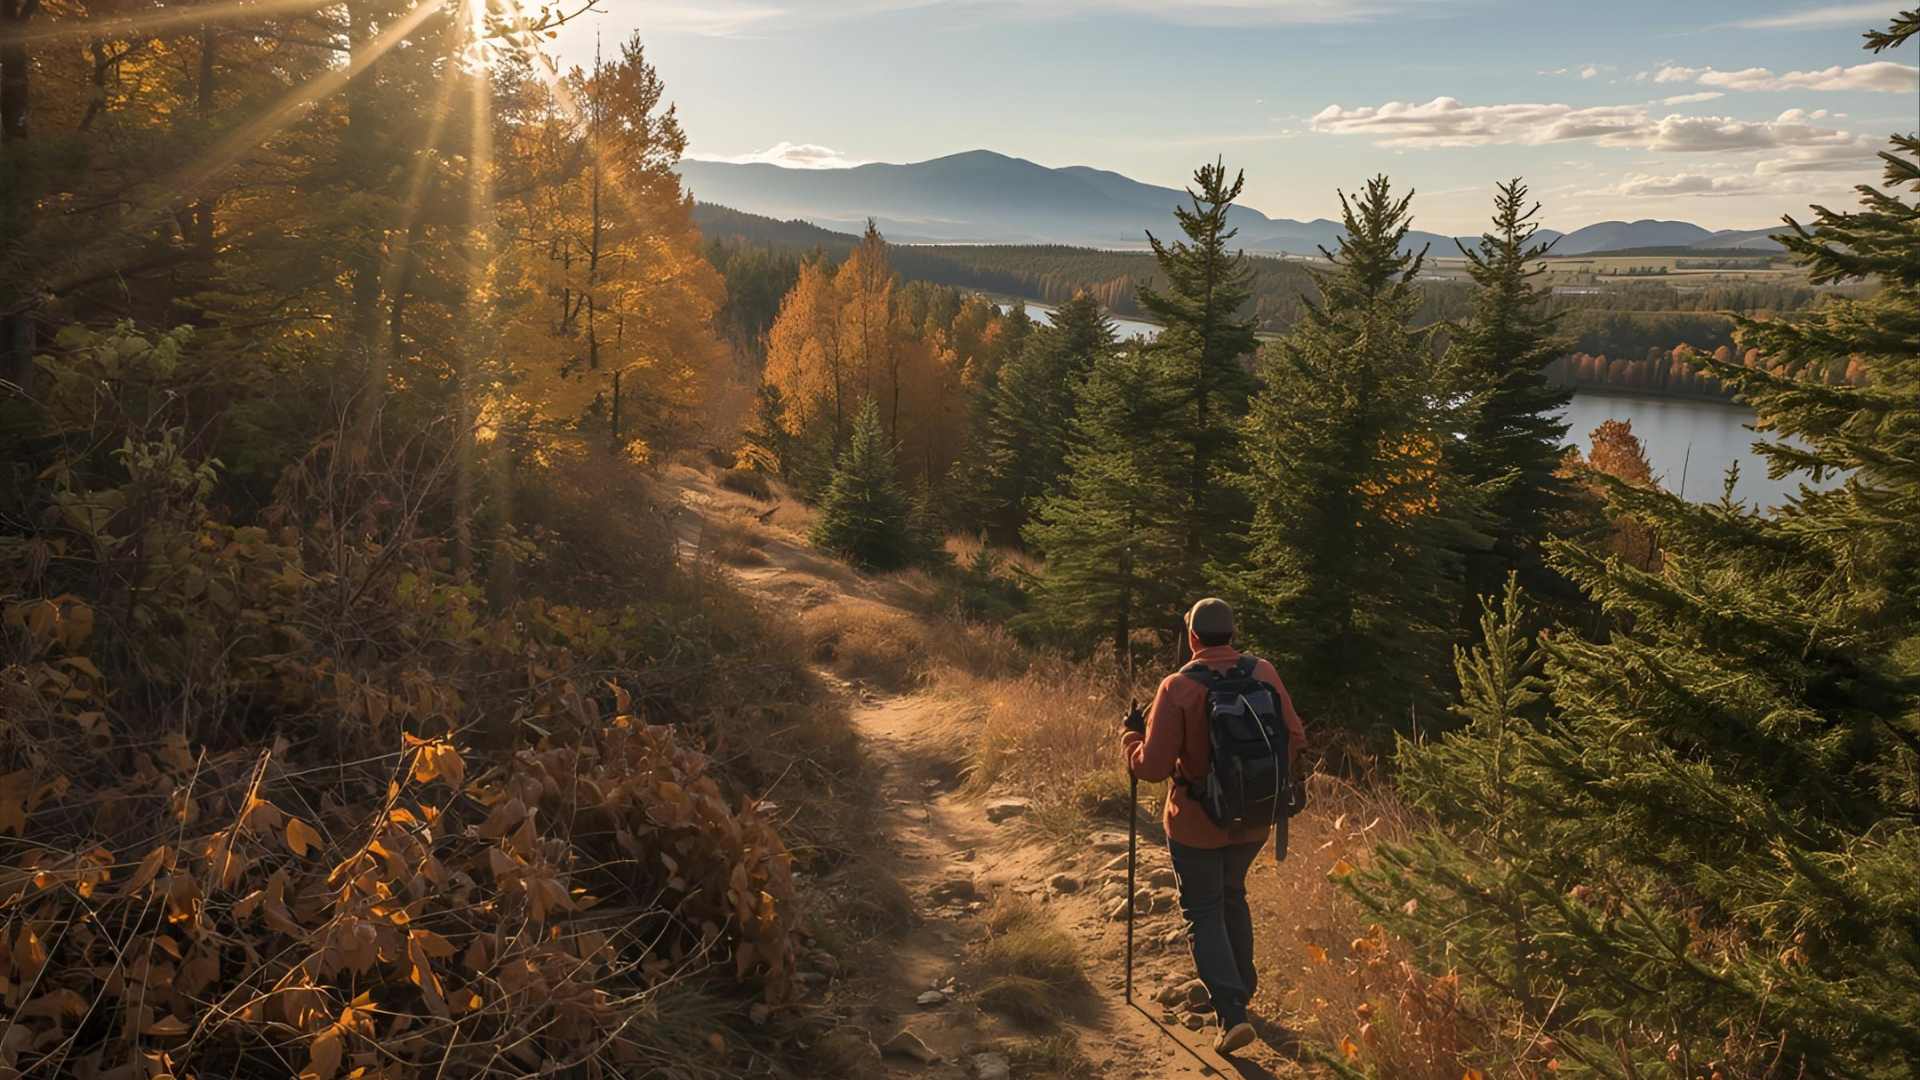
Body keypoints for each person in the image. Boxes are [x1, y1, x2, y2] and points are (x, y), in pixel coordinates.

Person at [1122, 597, 1305, 1057]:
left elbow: (1151, 767)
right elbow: (1295, 736)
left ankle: (1232, 1011)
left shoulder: (1178, 686)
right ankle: (1241, 987)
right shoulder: (1263, 672)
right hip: (1256, 819)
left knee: (1203, 910)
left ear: (1192, 637)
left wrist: (1131, 738)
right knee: (1232, 895)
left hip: (1196, 825)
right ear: (1232, 633)